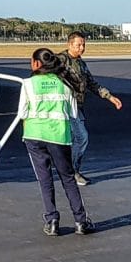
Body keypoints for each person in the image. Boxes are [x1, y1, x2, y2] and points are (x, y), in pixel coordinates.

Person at [19, 47, 93, 236]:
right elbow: (74, 114)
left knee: (44, 179)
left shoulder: (27, 84)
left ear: (36, 64)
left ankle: (51, 220)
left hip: (34, 135)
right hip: (59, 136)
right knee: (68, 178)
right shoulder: (65, 85)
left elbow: (22, 113)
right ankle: (81, 221)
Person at [56, 32, 123, 186]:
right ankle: (71, 171)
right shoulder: (60, 60)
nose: (82, 48)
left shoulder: (81, 63)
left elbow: (92, 83)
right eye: (78, 45)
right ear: (69, 44)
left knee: (75, 140)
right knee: (81, 137)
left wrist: (110, 97)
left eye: (84, 45)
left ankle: (71, 170)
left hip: (77, 107)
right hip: (63, 106)